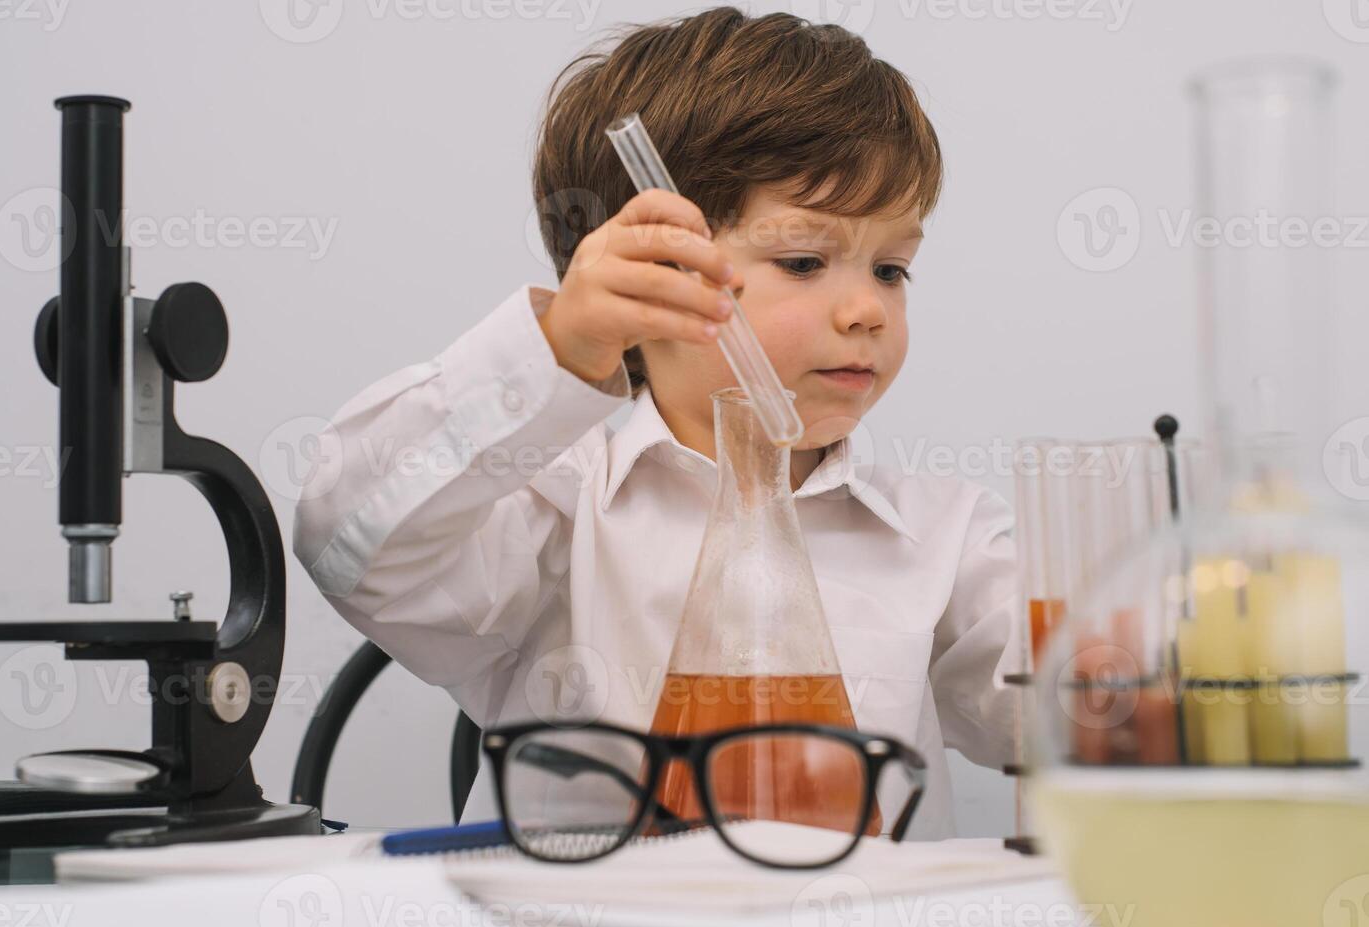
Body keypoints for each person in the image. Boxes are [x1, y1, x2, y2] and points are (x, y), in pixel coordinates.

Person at [293, 7, 1020, 839]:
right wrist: (559, 344)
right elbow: (349, 542)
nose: (866, 311)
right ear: (653, 271)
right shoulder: (561, 511)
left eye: (891, 269)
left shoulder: (941, 536)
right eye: (804, 261)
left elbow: (1071, 704)